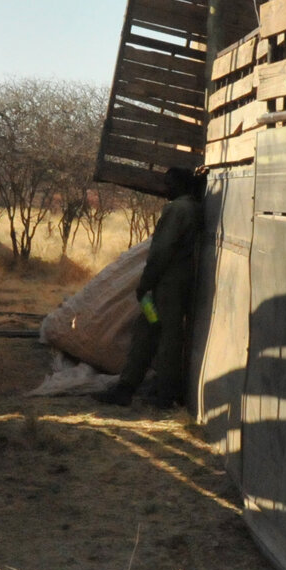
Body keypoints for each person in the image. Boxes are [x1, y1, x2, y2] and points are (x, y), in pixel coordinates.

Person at [95, 168, 204, 409]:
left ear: (180, 185)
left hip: (165, 286)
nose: (166, 188)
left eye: (170, 183)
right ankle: (135, 389)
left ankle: (153, 393)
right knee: (152, 331)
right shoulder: (195, 208)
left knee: (158, 334)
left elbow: (161, 251)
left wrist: (146, 283)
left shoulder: (177, 209)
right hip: (176, 285)